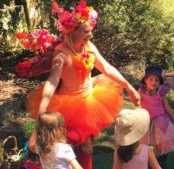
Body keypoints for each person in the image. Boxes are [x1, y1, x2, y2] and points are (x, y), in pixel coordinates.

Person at [27, 1, 140, 169]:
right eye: (87, 31)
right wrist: (42, 110)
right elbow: (52, 81)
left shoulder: (88, 47)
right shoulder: (61, 54)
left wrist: (129, 87)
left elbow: (107, 69)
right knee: (61, 147)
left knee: (86, 151)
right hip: (68, 106)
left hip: (90, 103)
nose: (91, 35)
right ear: (74, 32)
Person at [139, 66, 174, 167]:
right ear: (145, 80)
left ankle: (161, 161)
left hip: (161, 120)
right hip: (146, 121)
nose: (154, 82)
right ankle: (149, 161)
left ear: (160, 82)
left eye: (156, 80)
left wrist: (173, 117)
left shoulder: (160, 91)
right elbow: (137, 103)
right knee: (147, 144)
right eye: (151, 79)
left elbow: (167, 106)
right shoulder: (141, 91)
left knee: (161, 143)